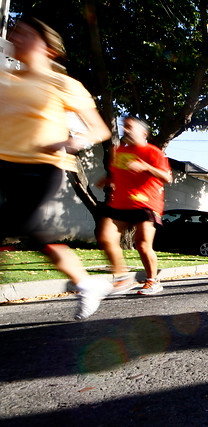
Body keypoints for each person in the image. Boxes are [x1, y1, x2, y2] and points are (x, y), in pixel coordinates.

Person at [0, 18, 113, 320]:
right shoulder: (6, 78)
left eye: (25, 33)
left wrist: (73, 140)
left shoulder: (62, 83)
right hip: (4, 164)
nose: (16, 35)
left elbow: (100, 130)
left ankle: (86, 283)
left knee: (24, 228)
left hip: (41, 167)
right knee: (35, 235)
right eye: (15, 32)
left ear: (48, 49)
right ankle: (87, 283)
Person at [97, 116, 172, 295]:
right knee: (106, 238)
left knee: (143, 244)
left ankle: (153, 281)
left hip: (146, 203)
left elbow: (167, 177)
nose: (126, 130)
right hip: (121, 204)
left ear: (143, 133)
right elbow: (119, 175)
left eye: (130, 127)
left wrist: (145, 167)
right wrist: (108, 180)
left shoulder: (153, 152)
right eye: (124, 126)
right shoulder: (119, 151)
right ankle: (123, 277)